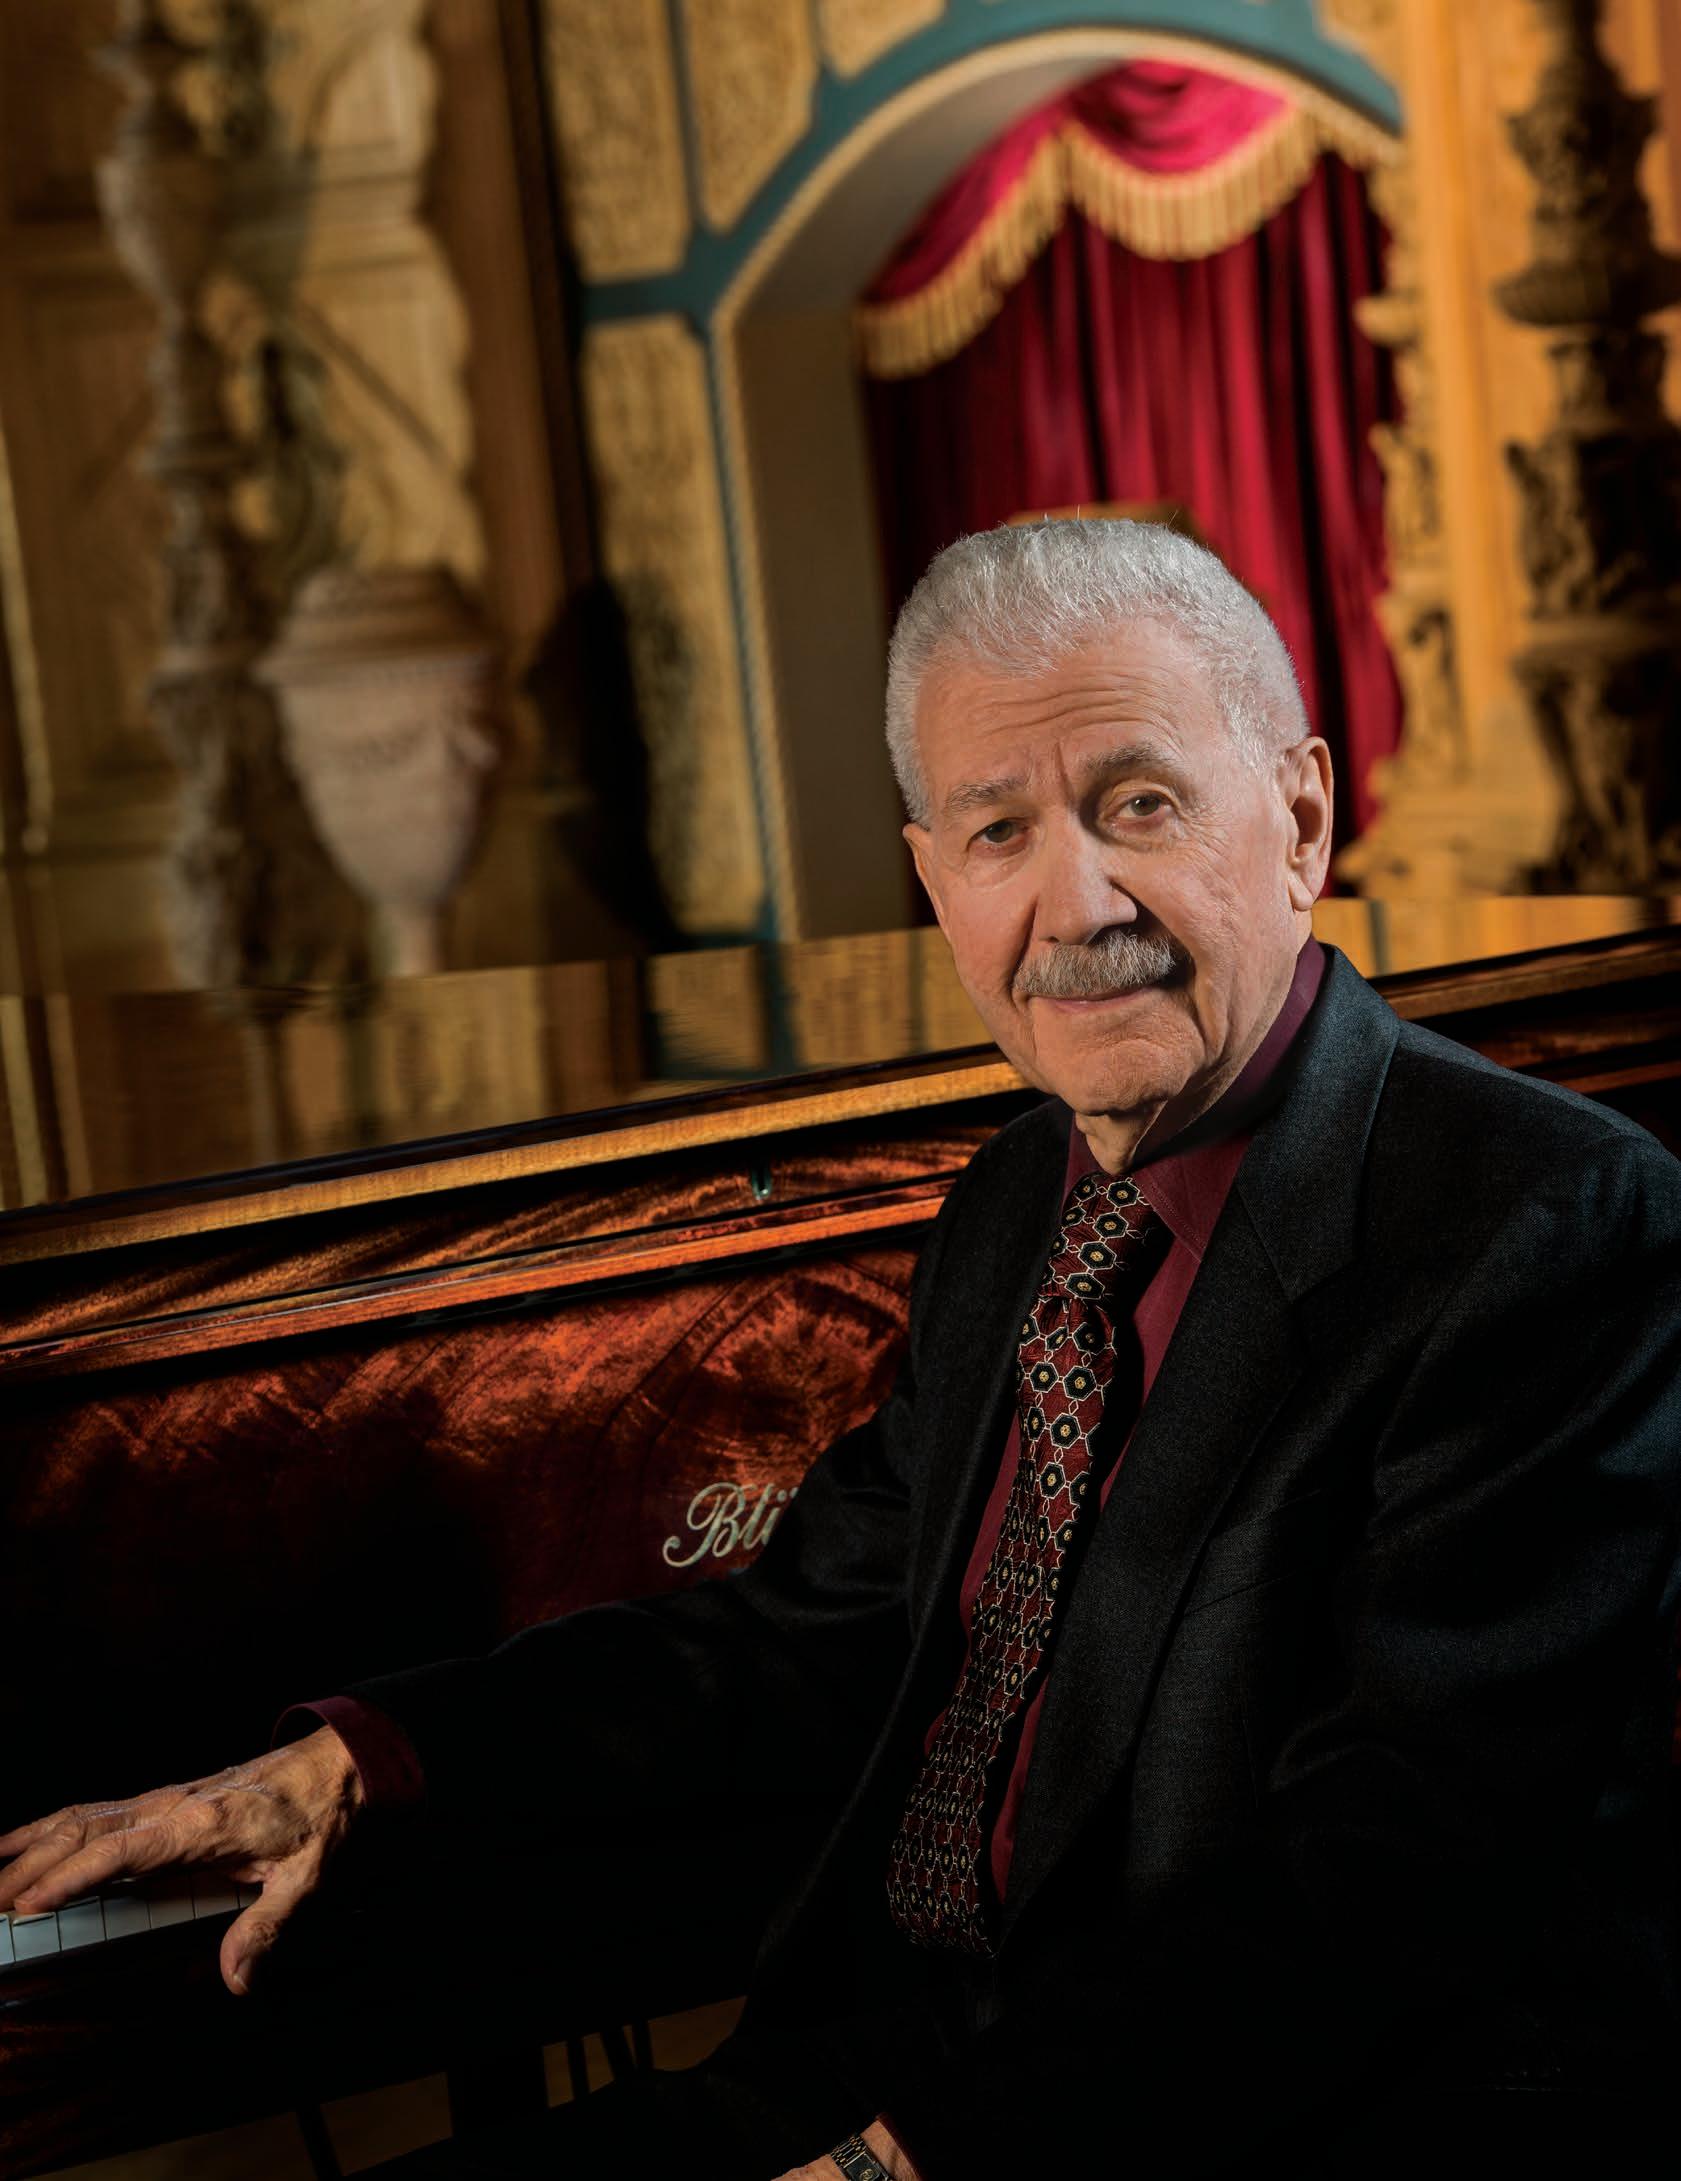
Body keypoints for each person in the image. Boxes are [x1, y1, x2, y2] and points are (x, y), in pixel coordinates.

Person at [4, 521, 1680, 2180]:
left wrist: (906, 2161)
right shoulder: (1018, 1196)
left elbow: (1381, 1884)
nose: (1074, 902)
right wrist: (371, 1758)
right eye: (997, 830)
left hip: (1272, 2118)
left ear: (1299, 819)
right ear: (934, 879)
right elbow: (811, 1631)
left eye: (1139, 805)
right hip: (920, 2048)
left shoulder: (1543, 1221)